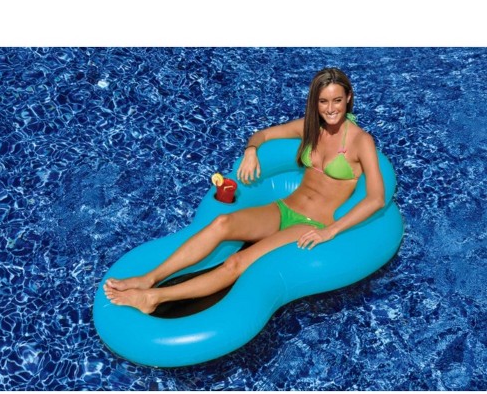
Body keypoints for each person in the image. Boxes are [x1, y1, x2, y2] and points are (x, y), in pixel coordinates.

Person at [103, 68, 385, 314]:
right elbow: (263, 134)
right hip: (284, 208)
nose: (331, 108)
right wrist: (251, 151)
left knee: (237, 262)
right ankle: (150, 278)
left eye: (337, 100)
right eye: (323, 101)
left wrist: (329, 232)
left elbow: (376, 198)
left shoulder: (361, 141)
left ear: (348, 98)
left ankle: (153, 298)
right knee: (222, 222)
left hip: (311, 224)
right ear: (315, 102)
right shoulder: (310, 128)